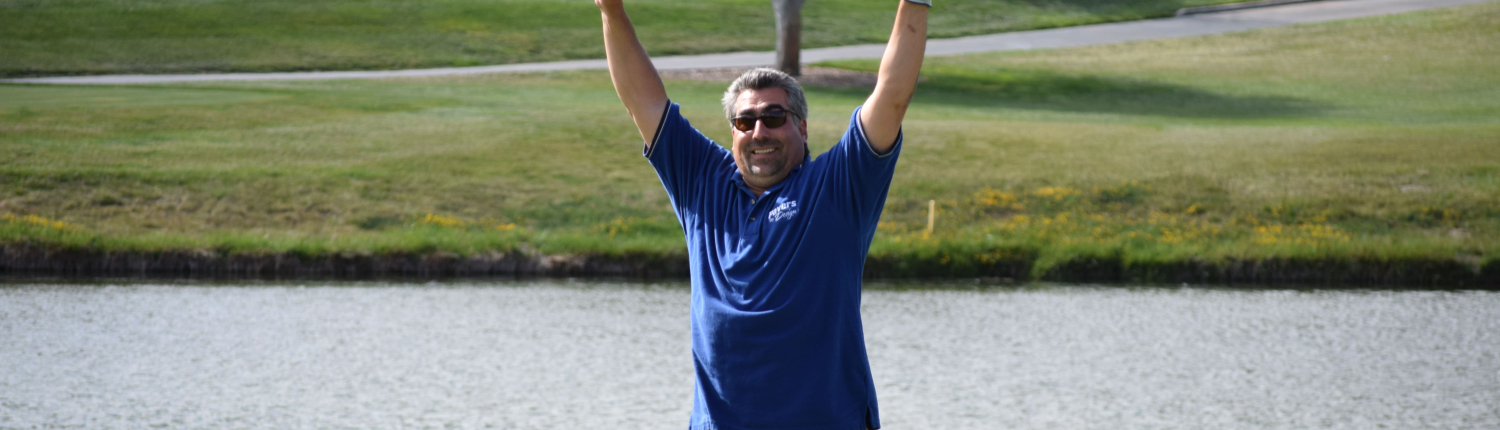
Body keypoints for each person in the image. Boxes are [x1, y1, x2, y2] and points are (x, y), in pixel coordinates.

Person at [596, 0, 927, 428]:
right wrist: (610, 10)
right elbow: (642, 100)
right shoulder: (701, 181)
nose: (759, 131)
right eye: (745, 121)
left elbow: (893, 95)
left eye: (774, 117)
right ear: (733, 131)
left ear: (801, 126)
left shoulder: (838, 185)